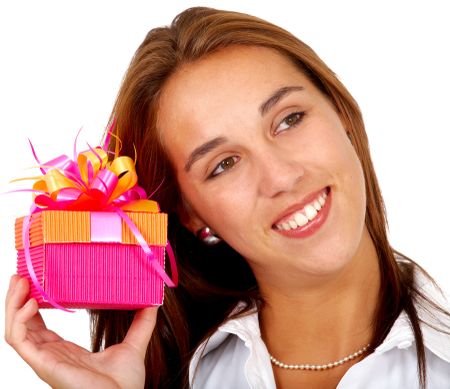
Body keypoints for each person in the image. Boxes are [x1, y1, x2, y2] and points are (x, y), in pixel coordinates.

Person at [5, 6, 450, 389]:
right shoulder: (179, 375)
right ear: (190, 213)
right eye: (223, 164)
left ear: (343, 116)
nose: (281, 177)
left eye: (290, 119)